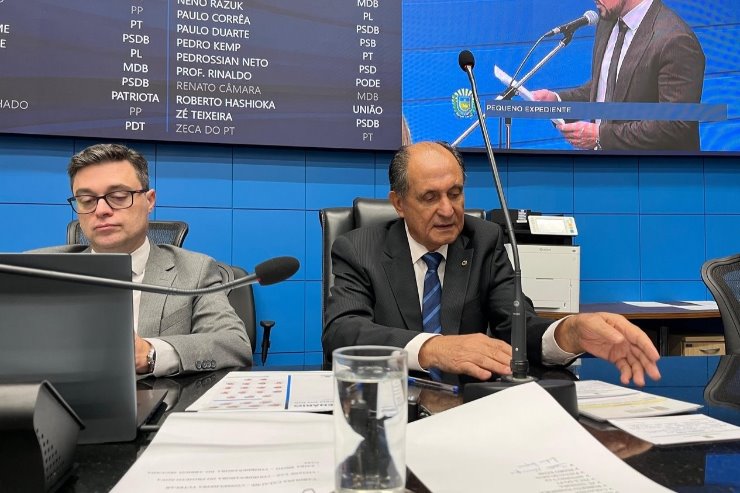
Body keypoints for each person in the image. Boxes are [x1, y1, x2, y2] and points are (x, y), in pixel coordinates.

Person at [323, 141, 661, 386]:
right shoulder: (359, 248)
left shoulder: (483, 240)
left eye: (455, 193)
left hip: (468, 410)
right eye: (430, 197)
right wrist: (432, 348)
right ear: (399, 203)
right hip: (386, 408)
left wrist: (568, 332)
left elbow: (518, 328)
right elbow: (342, 332)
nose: (447, 210)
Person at [40, 143, 251, 376]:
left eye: (118, 196)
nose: (101, 210)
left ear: (149, 201)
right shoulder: (40, 269)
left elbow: (234, 344)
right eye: (87, 200)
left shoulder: (195, 270)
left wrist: (150, 353)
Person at [532, 0, 705, 151]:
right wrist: (558, 101)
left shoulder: (676, 39)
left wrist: (601, 136)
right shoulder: (607, 21)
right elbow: (608, 86)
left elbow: (676, 125)